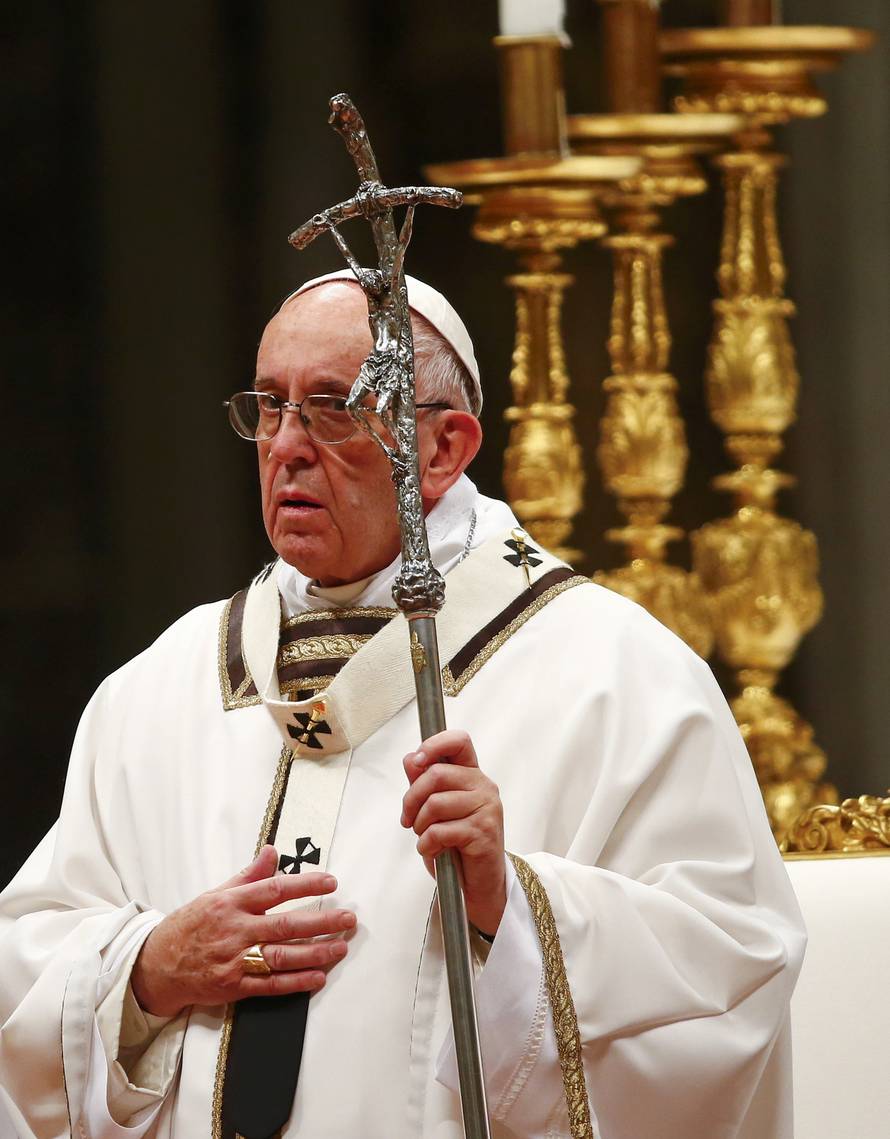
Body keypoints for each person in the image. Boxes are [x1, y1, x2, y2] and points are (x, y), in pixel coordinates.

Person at [0, 271, 806, 1139]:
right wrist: (152, 969)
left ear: (444, 447)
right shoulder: (161, 687)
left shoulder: (618, 674)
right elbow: (30, 964)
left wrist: (513, 903)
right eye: (269, 406)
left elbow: (734, 962)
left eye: (333, 409)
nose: (287, 446)